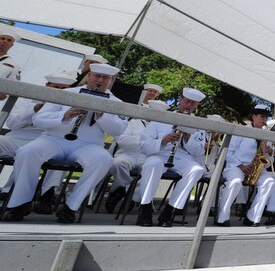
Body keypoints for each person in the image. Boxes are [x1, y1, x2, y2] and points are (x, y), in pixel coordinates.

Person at [2, 63, 126, 223]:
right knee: (28, 152)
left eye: (105, 77)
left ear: (111, 80)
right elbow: (38, 119)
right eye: (97, 76)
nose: (100, 80)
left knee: (104, 160)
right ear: (89, 76)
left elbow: (118, 130)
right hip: (54, 139)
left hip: (89, 144)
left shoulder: (116, 102)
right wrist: (65, 116)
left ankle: (71, 206)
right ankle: (20, 203)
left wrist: (102, 114)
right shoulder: (67, 93)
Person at [0, 69, 78, 208]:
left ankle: (46, 194)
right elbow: (13, 124)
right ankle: (10, 191)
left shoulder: (71, 105)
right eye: (56, 87)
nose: (59, 91)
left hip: (48, 141)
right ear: (47, 85)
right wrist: (35, 109)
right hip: (18, 138)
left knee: (60, 153)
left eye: (63, 89)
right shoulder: (27, 99)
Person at [134, 87, 207, 227]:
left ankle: (170, 210)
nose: (189, 106)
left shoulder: (199, 125)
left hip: (182, 158)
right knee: (152, 164)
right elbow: (143, 145)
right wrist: (162, 141)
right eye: (187, 101)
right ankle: (145, 208)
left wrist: (187, 138)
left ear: (197, 106)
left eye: (193, 103)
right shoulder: (161, 118)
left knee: (197, 170)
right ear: (180, 101)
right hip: (159, 154)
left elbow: (198, 152)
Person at [104, 87, 168, 214]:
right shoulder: (134, 122)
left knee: (151, 169)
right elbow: (122, 140)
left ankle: (129, 195)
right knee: (118, 163)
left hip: (148, 157)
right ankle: (124, 190)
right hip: (128, 154)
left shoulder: (164, 129)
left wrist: (150, 144)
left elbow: (164, 147)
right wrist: (146, 142)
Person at [215, 105, 275, 227]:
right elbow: (228, 152)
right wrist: (241, 165)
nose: (265, 120)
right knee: (236, 181)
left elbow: (269, 164)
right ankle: (222, 217)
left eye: (266, 117)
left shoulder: (267, 136)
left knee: (269, 182)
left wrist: (269, 153)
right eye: (262, 116)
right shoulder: (241, 131)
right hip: (236, 167)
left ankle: (252, 218)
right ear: (253, 116)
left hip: (256, 170)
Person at [0, 25, 22, 100]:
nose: (5, 41)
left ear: (12, 45)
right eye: (2, 38)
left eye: (9, 40)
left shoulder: (14, 66)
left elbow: (12, 90)